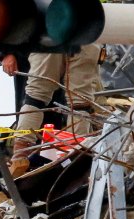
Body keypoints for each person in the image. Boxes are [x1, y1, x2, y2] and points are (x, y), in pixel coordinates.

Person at [10, 44, 102, 175]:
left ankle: (20, 155)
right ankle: (75, 156)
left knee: (36, 95)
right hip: (86, 32)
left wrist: (8, 52)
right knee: (80, 102)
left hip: (50, 33)